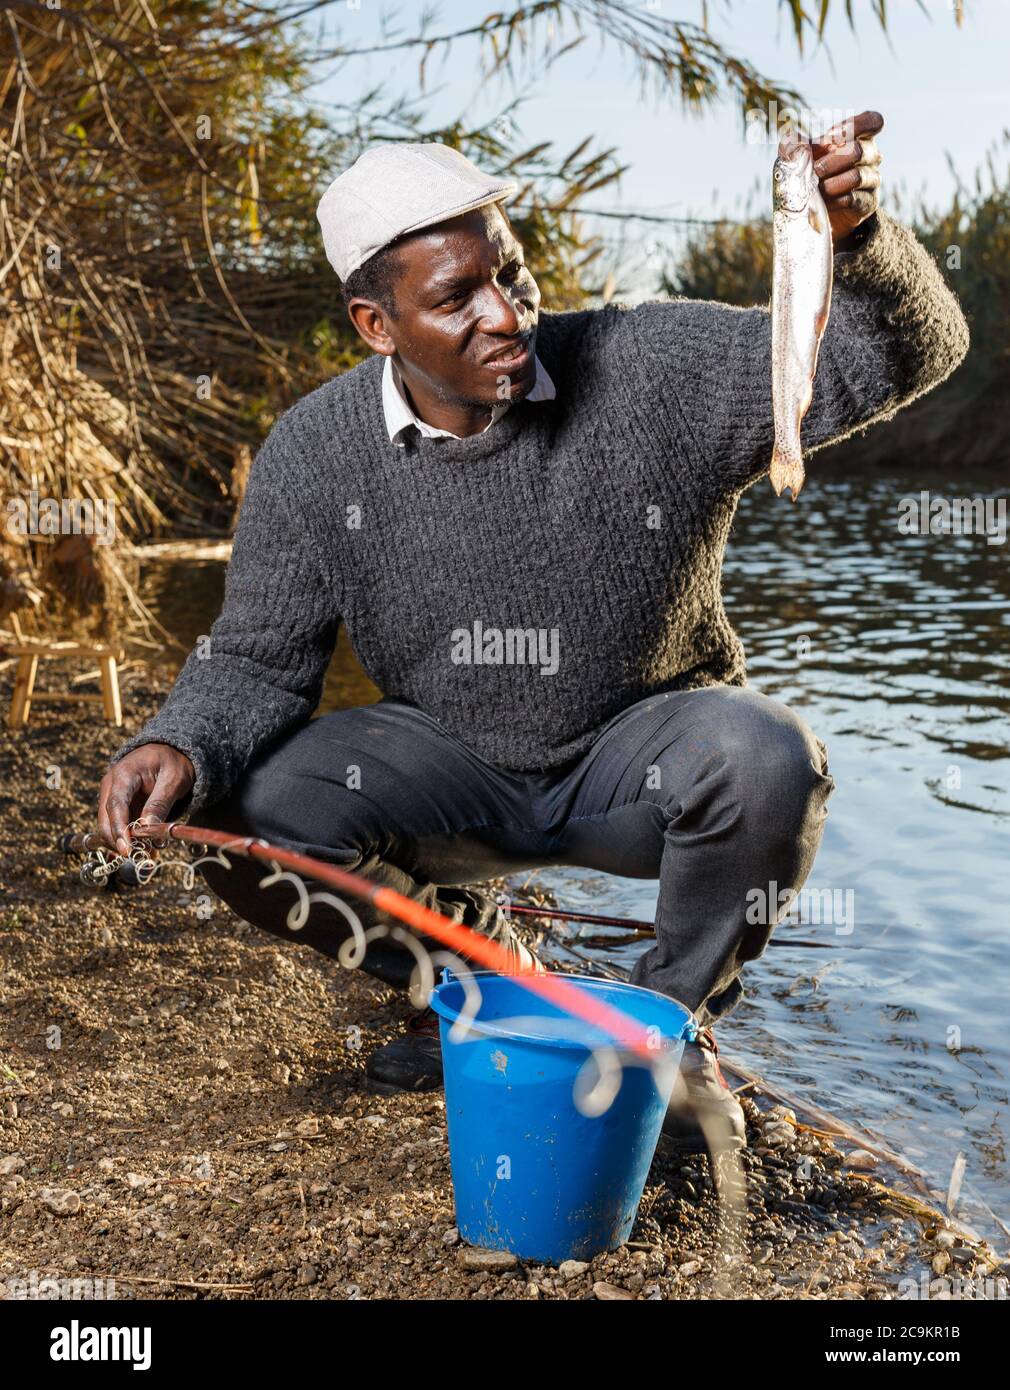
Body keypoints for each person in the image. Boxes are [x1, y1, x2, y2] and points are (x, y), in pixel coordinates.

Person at [98, 117, 969, 1150]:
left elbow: (911, 347)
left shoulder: (649, 365)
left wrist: (854, 232)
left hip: (637, 767)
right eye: (455, 297)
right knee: (240, 803)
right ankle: (477, 996)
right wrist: (176, 741)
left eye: (510, 271)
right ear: (376, 325)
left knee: (767, 757)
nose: (505, 313)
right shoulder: (316, 451)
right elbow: (254, 657)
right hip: (452, 770)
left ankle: (656, 1035)